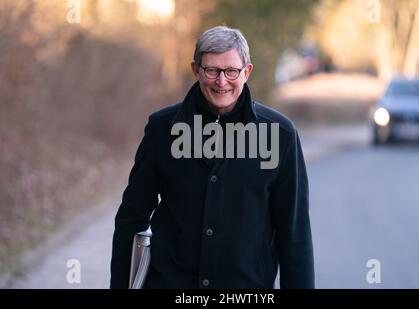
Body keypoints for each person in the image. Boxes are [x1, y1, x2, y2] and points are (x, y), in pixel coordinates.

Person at [110, 26, 314, 289]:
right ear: (196, 70)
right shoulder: (162, 129)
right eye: (212, 70)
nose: (222, 81)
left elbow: (294, 236)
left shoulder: (279, 135)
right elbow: (131, 218)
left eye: (231, 71)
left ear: (247, 72)